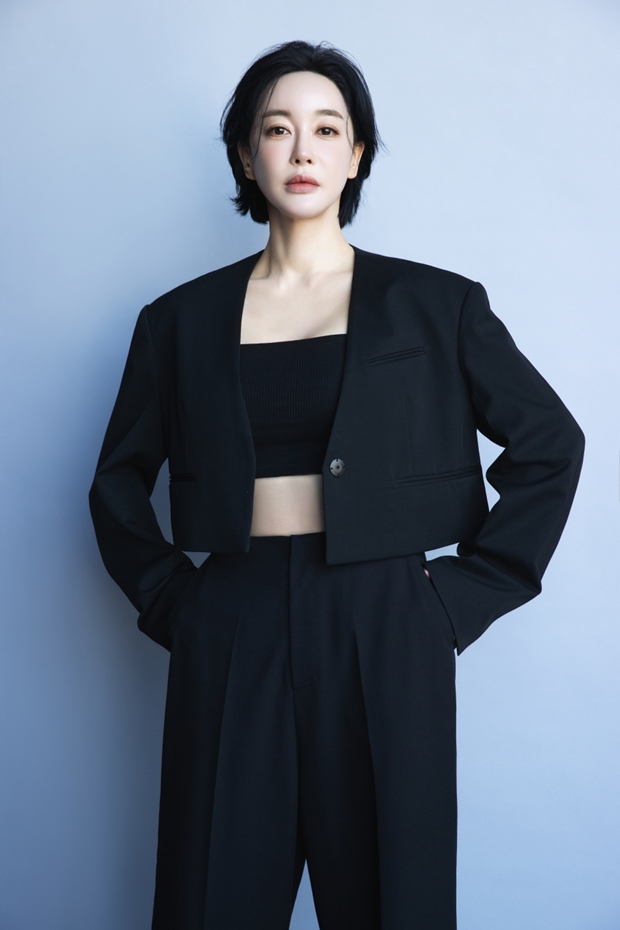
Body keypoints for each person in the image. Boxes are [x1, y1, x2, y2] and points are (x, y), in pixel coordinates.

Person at [89, 40, 584, 930]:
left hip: (387, 618)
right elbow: (116, 482)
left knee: (395, 902)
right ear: (247, 155)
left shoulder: (436, 304)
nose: (302, 149)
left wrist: (458, 599)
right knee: (210, 900)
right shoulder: (178, 322)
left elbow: (552, 445)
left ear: (356, 155)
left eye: (327, 129)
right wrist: (177, 605)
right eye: (277, 128)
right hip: (232, 620)